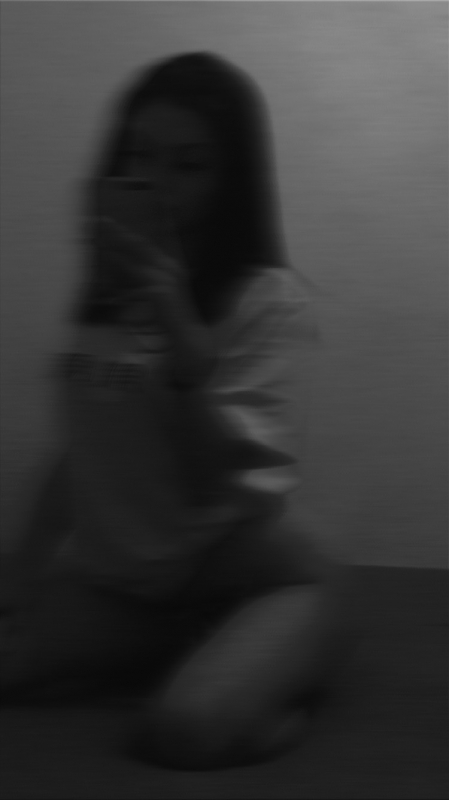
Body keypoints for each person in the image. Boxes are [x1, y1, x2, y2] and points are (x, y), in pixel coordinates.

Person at [0, 52, 358, 770]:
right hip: (136, 584)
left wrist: (183, 345)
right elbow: (83, 453)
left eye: (189, 164)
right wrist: (19, 578)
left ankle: (283, 689)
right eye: (141, 155)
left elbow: (214, 482)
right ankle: (192, 650)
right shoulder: (108, 296)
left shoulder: (267, 302)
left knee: (184, 732)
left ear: (230, 180)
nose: (157, 183)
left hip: (263, 574)